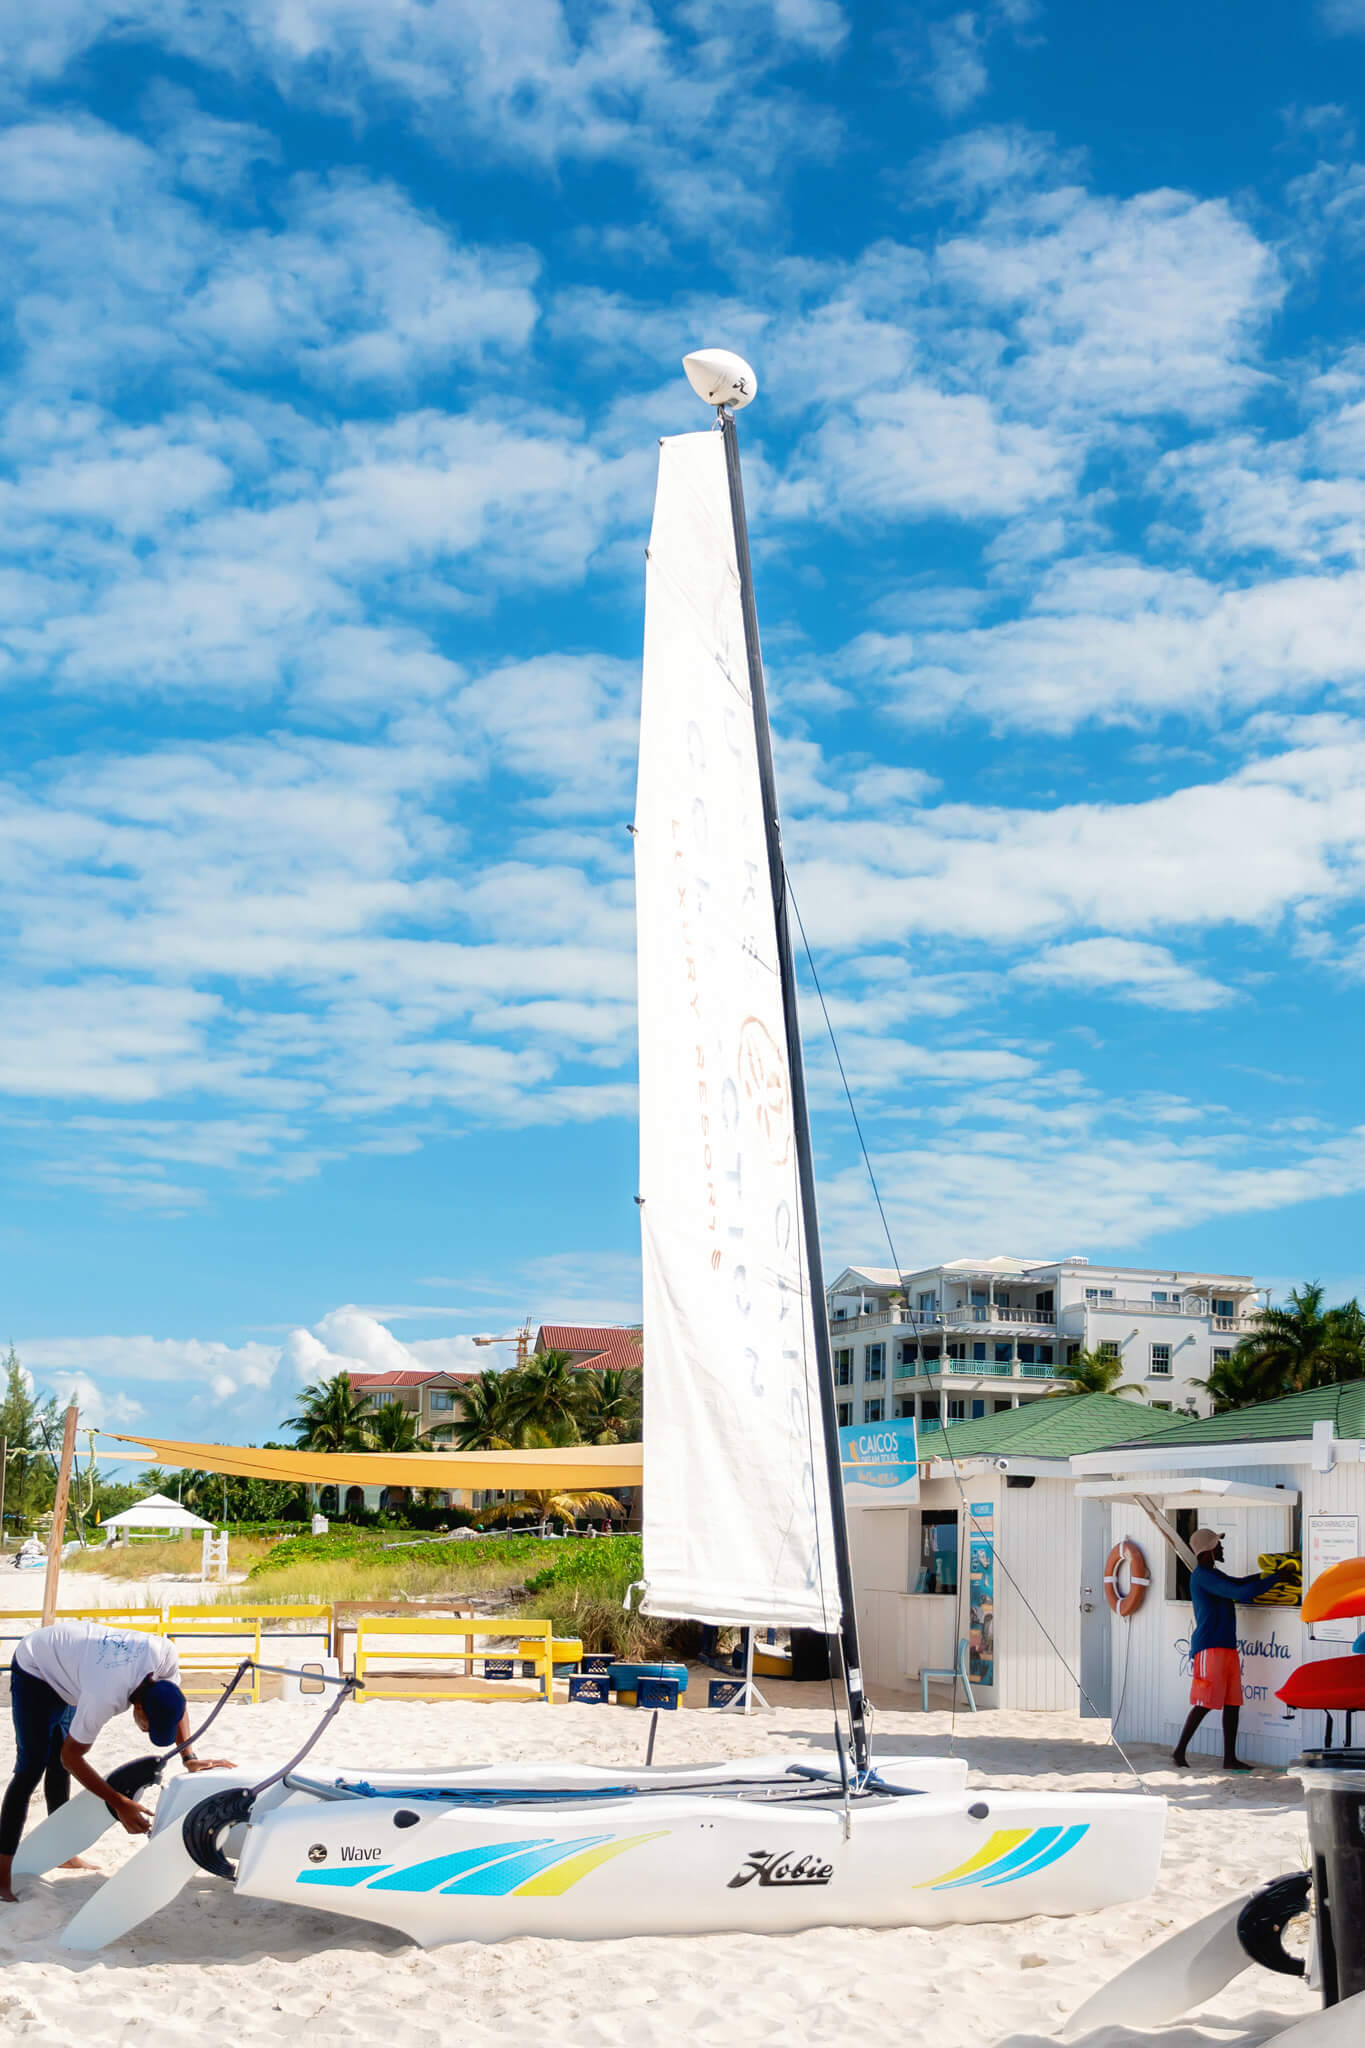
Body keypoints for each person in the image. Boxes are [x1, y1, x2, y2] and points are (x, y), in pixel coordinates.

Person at [1, 1618, 233, 1903]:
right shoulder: (104, 1696)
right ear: (137, 1706)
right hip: (38, 1665)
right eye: (148, 1725)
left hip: (76, 1665)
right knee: (31, 1769)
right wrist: (118, 1802)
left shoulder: (165, 1657)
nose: (147, 1730)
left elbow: (177, 1705)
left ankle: (64, 1855)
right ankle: (2, 1878)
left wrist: (189, 1757)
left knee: (56, 1761)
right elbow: (72, 1758)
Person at [1172, 1529, 1287, 1772]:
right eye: (1219, 1546)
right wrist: (1275, 1579)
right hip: (1209, 1648)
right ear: (1209, 1550)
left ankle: (1230, 1758)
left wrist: (1267, 1575)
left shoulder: (1211, 1574)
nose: (1223, 1549)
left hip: (1225, 1647)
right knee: (1205, 1703)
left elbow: (1239, 1583)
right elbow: (1240, 1592)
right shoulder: (1202, 1576)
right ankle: (1179, 1751)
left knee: (1232, 1703)